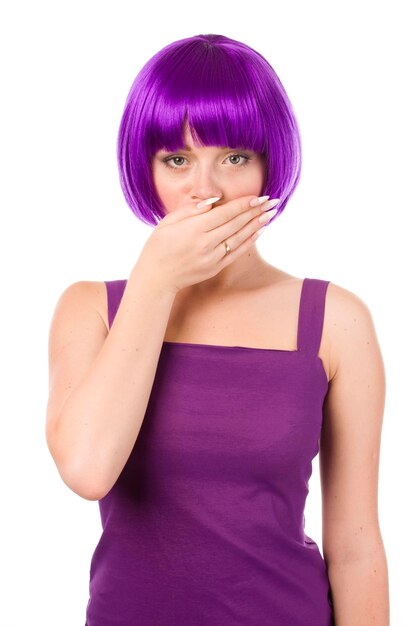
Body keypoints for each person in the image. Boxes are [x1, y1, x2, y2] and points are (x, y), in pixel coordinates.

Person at [45, 33, 389, 625]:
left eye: (234, 158)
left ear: (268, 165)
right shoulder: (90, 311)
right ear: (145, 170)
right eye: (176, 160)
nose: (205, 191)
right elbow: (87, 469)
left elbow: (356, 552)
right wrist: (155, 282)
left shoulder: (336, 320)